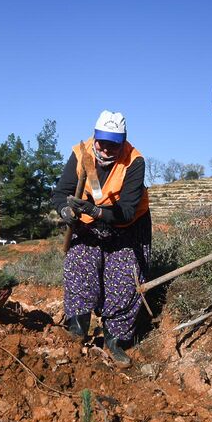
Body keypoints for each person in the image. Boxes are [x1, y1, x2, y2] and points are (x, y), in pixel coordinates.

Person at [51, 110, 151, 368]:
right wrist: (65, 211)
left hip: (127, 225)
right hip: (88, 223)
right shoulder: (80, 153)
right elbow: (60, 193)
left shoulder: (134, 161)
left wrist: (96, 211)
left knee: (125, 277)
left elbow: (127, 210)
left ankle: (115, 340)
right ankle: (77, 331)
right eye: (101, 142)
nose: (105, 149)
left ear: (123, 142)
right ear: (94, 137)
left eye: (113, 144)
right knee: (79, 263)